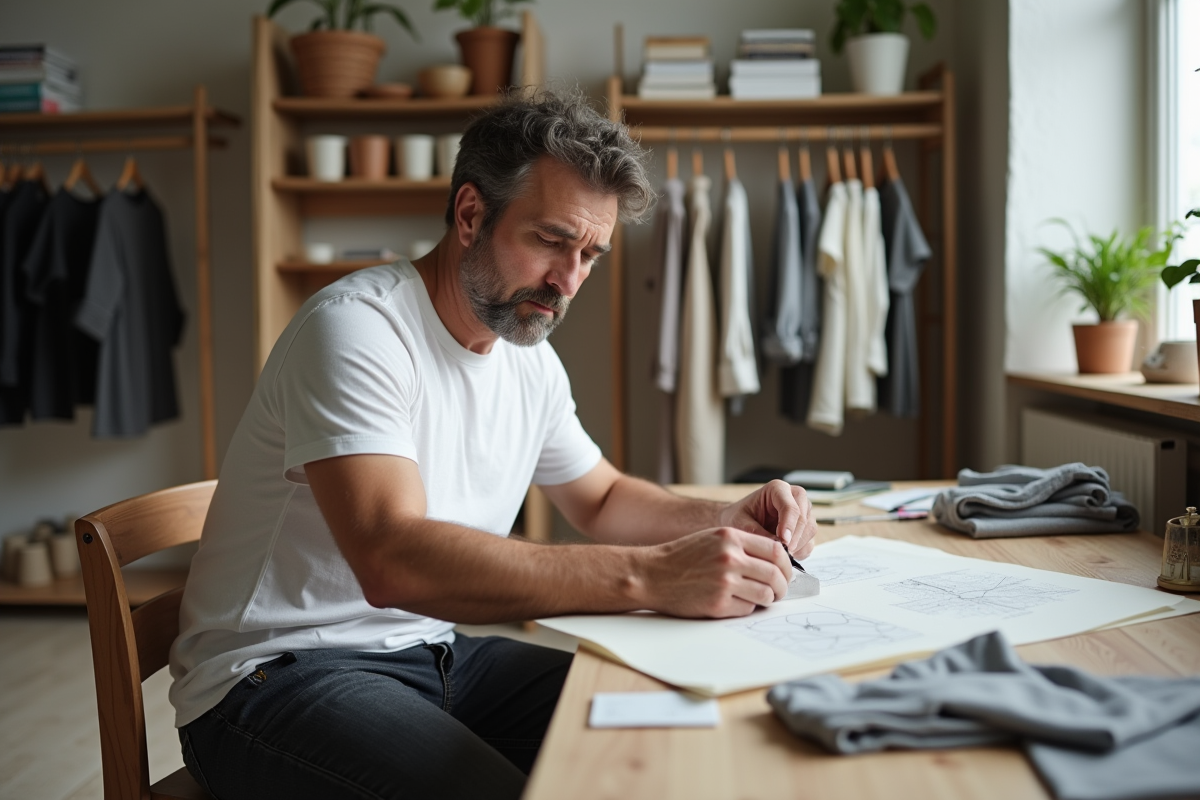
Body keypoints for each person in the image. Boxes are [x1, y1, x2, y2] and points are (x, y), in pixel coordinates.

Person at [169, 89, 818, 800]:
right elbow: (390, 558)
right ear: (471, 214)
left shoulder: (526, 360)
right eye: (551, 241)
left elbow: (601, 498)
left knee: (677, 726)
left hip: (433, 654)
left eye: (590, 255)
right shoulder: (358, 329)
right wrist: (651, 575)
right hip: (272, 679)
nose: (568, 281)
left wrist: (726, 518)